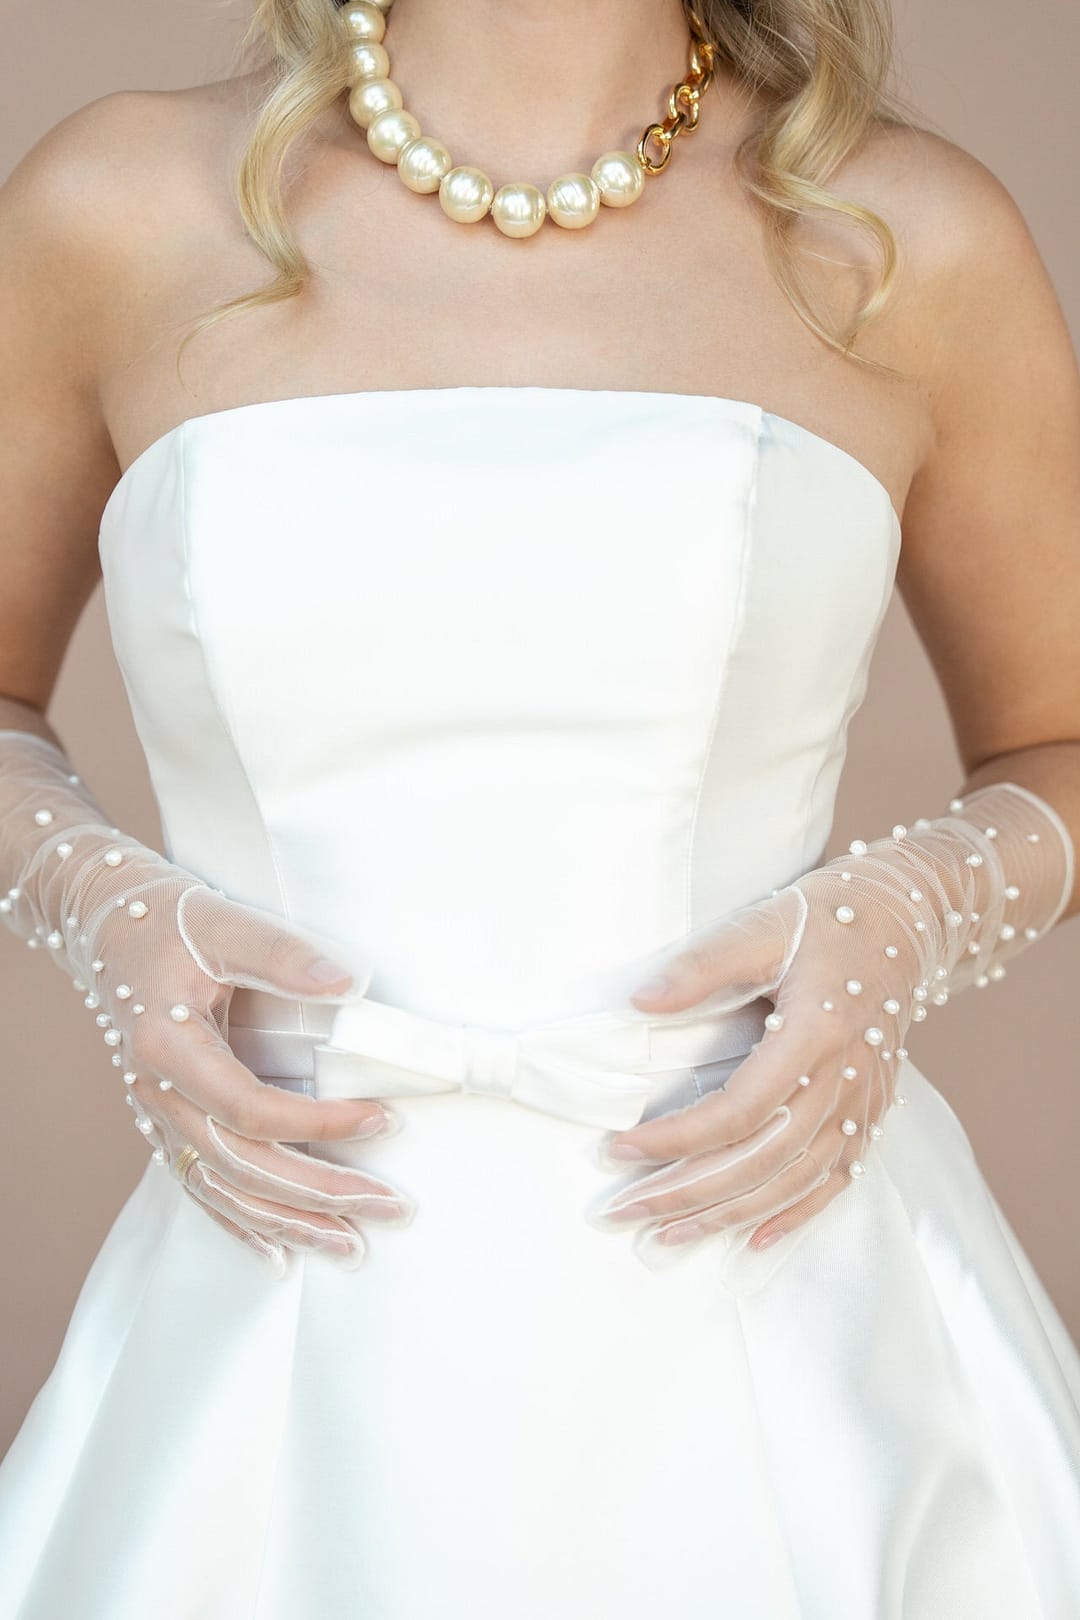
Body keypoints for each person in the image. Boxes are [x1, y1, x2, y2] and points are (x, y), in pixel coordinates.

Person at [0, 0, 1078, 1613]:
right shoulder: (116, 208)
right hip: (277, 1306)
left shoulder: (902, 237)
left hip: (785, 1306)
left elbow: (1059, 742)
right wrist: (97, 905)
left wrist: (908, 915)